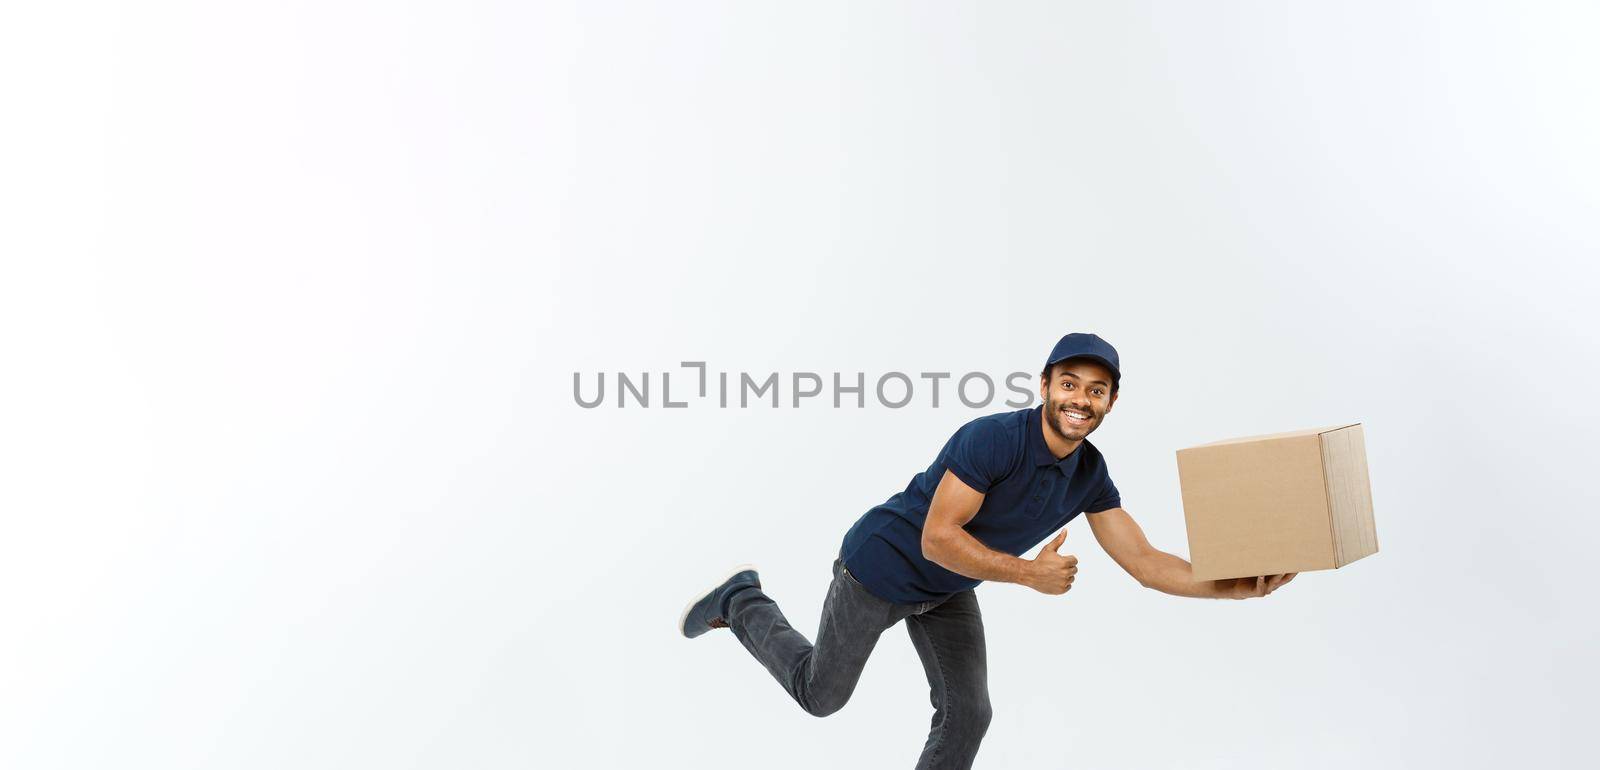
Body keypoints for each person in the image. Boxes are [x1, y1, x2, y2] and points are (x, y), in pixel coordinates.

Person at [678, 332, 1296, 769]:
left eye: (1098, 390)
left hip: (946, 590)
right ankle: (742, 599)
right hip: (879, 568)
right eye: (1070, 383)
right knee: (822, 697)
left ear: (1111, 401)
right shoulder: (994, 440)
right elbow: (937, 537)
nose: (1081, 399)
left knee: (969, 713)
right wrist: (1030, 574)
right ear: (1046, 386)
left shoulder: (1091, 476)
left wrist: (1234, 585)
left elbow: (1145, 561)